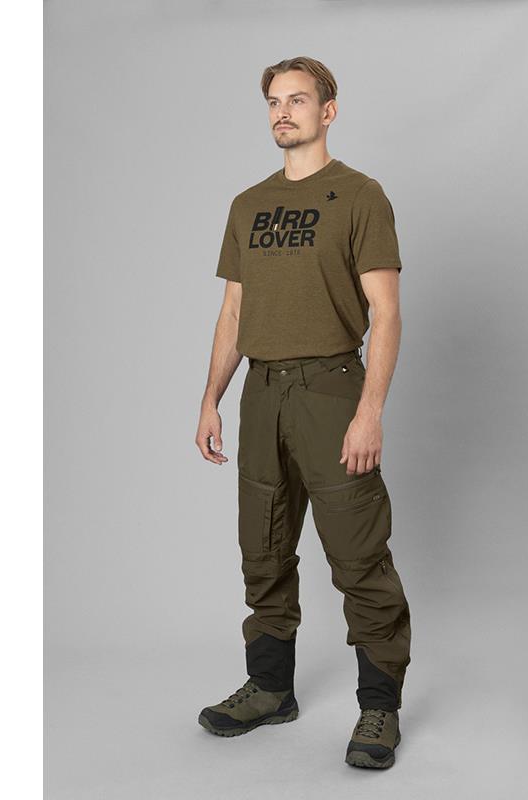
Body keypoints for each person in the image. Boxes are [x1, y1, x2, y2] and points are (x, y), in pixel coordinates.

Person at [195, 56, 412, 770]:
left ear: (328, 110)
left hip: (331, 390)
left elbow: (386, 311)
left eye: (297, 99)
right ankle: (269, 689)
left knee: (358, 555)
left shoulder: (360, 196)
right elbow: (234, 311)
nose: (283, 112)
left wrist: (369, 411)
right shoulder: (247, 204)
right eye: (273, 102)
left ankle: (379, 706)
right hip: (261, 394)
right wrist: (211, 400)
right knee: (262, 548)